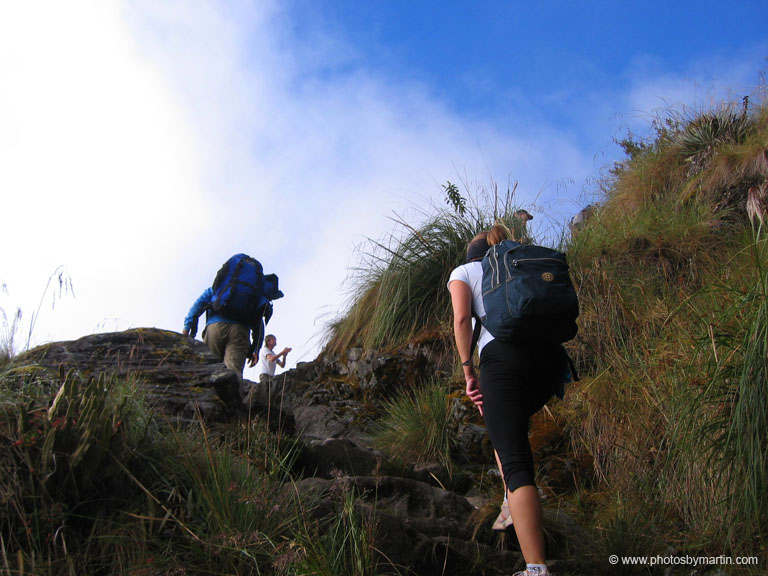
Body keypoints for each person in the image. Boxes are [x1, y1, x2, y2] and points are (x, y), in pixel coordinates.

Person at [448, 223, 565, 576]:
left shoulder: (464, 271)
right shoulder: (519, 263)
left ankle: (535, 568)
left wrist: (469, 371)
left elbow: (462, 318)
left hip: (504, 361)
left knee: (516, 462)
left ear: (471, 253)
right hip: (550, 360)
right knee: (507, 435)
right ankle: (508, 496)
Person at [182, 287, 261, 380]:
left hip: (215, 328)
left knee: (209, 368)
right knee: (234, 374)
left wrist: (186, 328)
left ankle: (208, 393)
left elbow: (197, 306)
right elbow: (259, 320)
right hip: (240, 331)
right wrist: (255, 348)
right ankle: (230, 393)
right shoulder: (251, 291)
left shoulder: (217, 287)